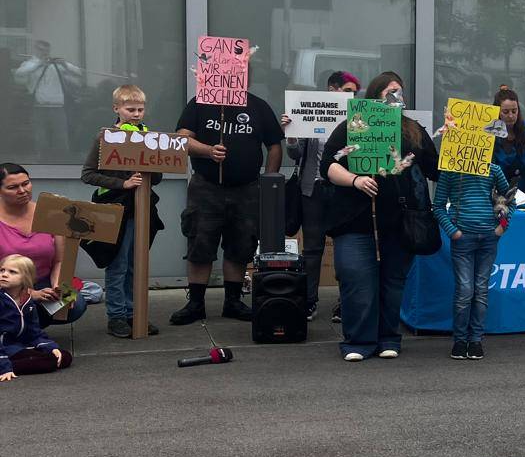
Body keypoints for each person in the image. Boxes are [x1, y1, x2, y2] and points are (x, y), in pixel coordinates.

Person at [319, 72, 439, 361]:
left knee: (393, 282)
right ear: (376, 97)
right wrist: (355, 179)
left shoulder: (413, 130)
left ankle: (388, 337)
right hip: (356, 220)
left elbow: (435, 169)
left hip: (400, 221)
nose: (396, 97)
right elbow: (329, 165)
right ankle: (358, 340)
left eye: (400, 91)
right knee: (357, 278)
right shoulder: (353, 126)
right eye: (390, 92)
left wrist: (452, 138)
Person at [170, 82, 285, 325]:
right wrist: (208, 150)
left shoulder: (258, 106)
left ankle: (233, 301)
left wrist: (269, 181)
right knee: (200, 240)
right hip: (206, 186)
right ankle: (196, 303)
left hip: (247, 188)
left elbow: (274, 144)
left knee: (242, 242)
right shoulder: (200, 103)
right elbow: (181, 139)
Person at [80, 84, 164, 338]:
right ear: (117, 109)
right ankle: (116, 316)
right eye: (130, 109)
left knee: (135, 265)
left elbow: (157, 177)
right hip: (115, 209)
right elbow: (88, 174)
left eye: (140, 109)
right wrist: (123, 184)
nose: (136, 114)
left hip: (142, 209)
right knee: (118, 264)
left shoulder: (149, 137)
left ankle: (133, 313)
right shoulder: (105, 137)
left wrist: (152, 168)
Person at [281, 71, 361, 322]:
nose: (351, 97)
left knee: (344, 247)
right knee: (313, 248)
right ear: (332, 89)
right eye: (347, 91)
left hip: (342, 190)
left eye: (354, 93)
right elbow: (295, 154)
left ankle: (344, 302)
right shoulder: (313, 112)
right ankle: (308, 300)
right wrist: (291, 132)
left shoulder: (356, 118)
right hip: (313, 188)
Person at [434, 154, 515, 361]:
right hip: (463, 238)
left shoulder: (494, 170)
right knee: (465, 290)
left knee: (480, 290)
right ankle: (460, 340)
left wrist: (501, 228)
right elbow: (438, 205)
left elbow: (510, 201)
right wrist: (453, 231)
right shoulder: (450, 170)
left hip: (489, 238)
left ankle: (475, 340)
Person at [0, 163, 87, 326]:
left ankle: (28, 327)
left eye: (26, 183)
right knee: (23, 304)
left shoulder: (50, 213)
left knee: (76, 303)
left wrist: (59, 289)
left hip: (43, 280)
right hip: (5, 286)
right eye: (13, 187)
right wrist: (30, 294)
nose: (22, 191)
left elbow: (59, 261)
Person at [0, 254, 73, 380]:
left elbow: (35, 332)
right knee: (46, 363)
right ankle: (8, 366)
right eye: (2, 270)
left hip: (19, 345)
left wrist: (50, 347)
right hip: (4, 347)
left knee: (65, 356)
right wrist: (4, 366)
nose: (4, 274)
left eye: (12, 272)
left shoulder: (27, 300)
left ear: (26, 278)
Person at [12, 41, 84, 155]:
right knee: (40, 137)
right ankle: (42, 159)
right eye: (40, 50)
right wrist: (39, 64)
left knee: (61, 136)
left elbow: (78, 73)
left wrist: (65, 64)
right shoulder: (30, 64)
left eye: (46, 50)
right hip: (39, 106)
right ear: (35, 50)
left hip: (57, 106)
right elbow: (19, 74)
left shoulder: (56, 65)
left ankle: (62, 159)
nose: (44, 52)